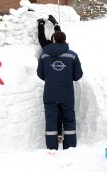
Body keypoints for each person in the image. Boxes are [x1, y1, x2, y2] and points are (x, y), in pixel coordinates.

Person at [37, 27, 83, 150]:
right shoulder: (72, 55)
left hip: (50, 94)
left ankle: (52, 149)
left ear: (53, 40)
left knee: (51, 121)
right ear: (64, 40)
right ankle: (70, 148)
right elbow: (78, 76)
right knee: (69, 121)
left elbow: (40, 75)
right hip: (66, 95)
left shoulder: (44, 55)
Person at [37, 15, 63, 143]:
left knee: (55, 110)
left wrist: (43, 24)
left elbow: (45, 37)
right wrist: (53, 25)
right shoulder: (63, 48)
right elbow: (54, 36)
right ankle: (58, 133)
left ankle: (57, 134)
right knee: (58, 110)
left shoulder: (48, 48)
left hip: (54, 85)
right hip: (60, 84)